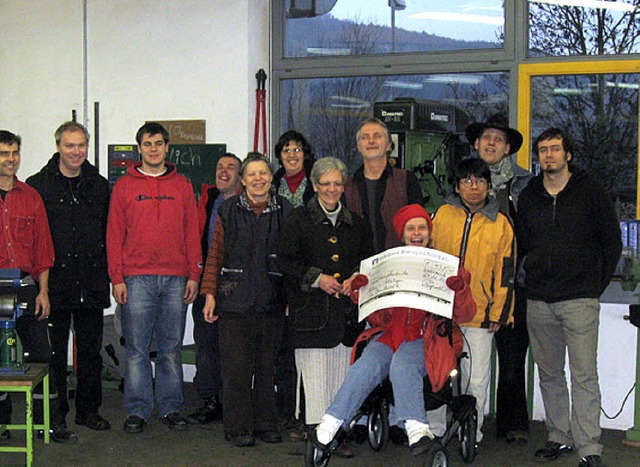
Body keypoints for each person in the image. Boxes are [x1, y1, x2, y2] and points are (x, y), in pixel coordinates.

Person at [312, 204, 476, 457]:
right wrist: (362, 292)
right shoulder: (390, 266)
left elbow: (466, 314)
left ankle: (416, 428)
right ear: (402, 234)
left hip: (428, 338)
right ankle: (331, 423)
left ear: (429, 232)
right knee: (363, 367)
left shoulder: (447, 266)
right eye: (410, 228)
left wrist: (460, 289)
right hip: (391, 334)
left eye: (422, 227)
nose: (417, 233)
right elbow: (379, 317)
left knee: (402, 364)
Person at [517, 128, 622, 467]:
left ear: (568, 155)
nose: (549, 155)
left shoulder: (591, 192)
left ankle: (589, 447)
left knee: (584, 376)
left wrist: (593, 285)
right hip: (539, 300)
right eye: (543, 150)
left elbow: (612, 243)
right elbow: (522, 243)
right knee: (549, 374)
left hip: (579, 299)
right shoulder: (531, 194)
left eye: (555, 149)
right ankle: (558, 437)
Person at [107, 122, 201, 434]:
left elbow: (192, 233)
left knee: (170, 347)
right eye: (147, 144)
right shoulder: (124, 187)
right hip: (136, 279)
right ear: (139, 148)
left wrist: (194, 275)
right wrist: (117, 277)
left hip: (176, 279)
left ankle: (172, 407)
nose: (153, 149)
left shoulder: (182, 185)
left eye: (159, 143)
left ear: (167, 147)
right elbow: (114, 234)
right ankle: (138, 410)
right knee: (136, 349)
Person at [279, 157, 373, 457]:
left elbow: (368, 262)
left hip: (345, 316)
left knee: (342, 378)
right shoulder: (297, 220)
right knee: (314, 377)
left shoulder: (357, 223)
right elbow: (285, 262)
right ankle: (315, 435)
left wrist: (355, 279)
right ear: (316, 186)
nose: (332, 189)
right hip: (311, 313)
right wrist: (317, 279)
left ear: (343, 187)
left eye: (337, 183)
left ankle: (337, 433)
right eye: (325, 183)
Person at [200, 153, 292, 447]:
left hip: (272, 299)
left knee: (267, 366)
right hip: (233, 300)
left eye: (263, 173)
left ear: (271, 178)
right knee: (236, 368)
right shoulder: (227, 210)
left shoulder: (286, 211)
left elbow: (292, 257)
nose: (258, 179)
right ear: (242, 180)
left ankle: (266, 423)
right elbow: (215, 254)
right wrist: (210, 294)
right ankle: (238, 427)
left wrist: (291, 295)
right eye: (251, 174)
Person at [26, 122, 111, 439]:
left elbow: (109, 233)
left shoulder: (100, 186)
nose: (76, 152)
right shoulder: (38, 186)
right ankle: (56, 414)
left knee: (90, 351)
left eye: (81, 145)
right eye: (70, 145)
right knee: (55, 355)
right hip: (55, 284)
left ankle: (89, 411)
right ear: (58, 146)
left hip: (91, 282)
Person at [430, 157, 515, 448]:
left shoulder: (501, 224)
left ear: (489, 186)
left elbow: (507, 273)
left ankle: (471, 432)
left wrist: (500, 312)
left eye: (480, 181)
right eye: (466, 180)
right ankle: (435, 429)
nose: (473, 186)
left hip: (480, 314)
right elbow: (428, 259)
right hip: (442, 312)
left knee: (476, 380)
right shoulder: (441, 215)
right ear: (457, 186)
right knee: (438, 374)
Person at [465, 114, 533, 444]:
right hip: (470, 286)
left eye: (498, 139)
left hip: (513, 283)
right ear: (476, 144)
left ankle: (512, 422)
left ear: (507, 148)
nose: (491, 143)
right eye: (486, 137)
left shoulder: (526, 184)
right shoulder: (464, 181)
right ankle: (463, 418)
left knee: (511, 357)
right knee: (464, 361)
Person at [0, 130, 58, 440]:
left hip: (25, 286)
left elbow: (43, 249)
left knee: (41, 355)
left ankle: (43, 422)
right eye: (3, 154)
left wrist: (44, 291)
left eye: (14, 153)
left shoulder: (31, 196)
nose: (10, 159)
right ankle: (1, 423)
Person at [186, 153, 241, 425]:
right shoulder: (207, 201)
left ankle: (231, 402)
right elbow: (195, 240)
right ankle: (209, 400)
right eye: (220, 167)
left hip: (237, 289)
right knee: (205, 347)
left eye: (231, 168)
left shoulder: (248, 203)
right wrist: (195, 279)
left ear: (240, 177)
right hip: (207, 282)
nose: (224, 172)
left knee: (232, 348)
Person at [271, 131, 315, 435]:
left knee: (306, 352)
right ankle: (285, 412)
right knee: (283, 352)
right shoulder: (271, 185)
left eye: (297, 149)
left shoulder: (317, 185)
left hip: (308, 277)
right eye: (286, 150)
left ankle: (307, 413)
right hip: (276, 276)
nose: (292, 154)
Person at [344, 117, 423, 254]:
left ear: (388, 145)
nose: (371, 141)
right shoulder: (347, 186)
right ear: (359, 147)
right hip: (358, 267)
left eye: (377, 136)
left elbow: (419, 227)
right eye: (365, 137)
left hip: (398, 264)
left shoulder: (407, 181)